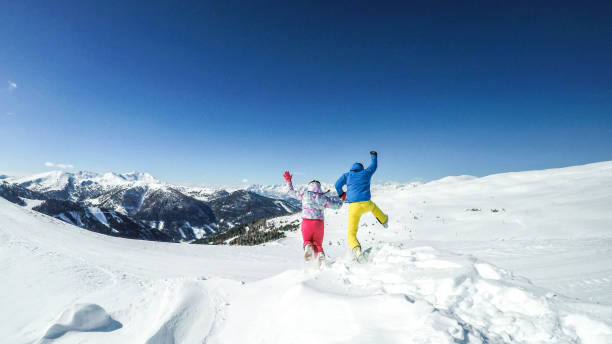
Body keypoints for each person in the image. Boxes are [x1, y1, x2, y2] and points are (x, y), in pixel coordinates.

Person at [334, 151, 388, 259]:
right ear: (361, 168)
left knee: (351, 233)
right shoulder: (366, 173)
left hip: (354, 208)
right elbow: (374, 165)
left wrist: (341, 194)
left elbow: (337, 184)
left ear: (352, 168)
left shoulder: (347, 175)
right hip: (367, 204)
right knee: (374, 207)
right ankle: (384, 220)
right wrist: (373, 155)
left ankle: (357, 250)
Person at [284, 171, 344, 263]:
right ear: (319, 188)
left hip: (306, 222)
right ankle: (320, 255)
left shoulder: (304, 194)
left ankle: (308, 246)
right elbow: (337, 206)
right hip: (319, 224)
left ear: (309, 187)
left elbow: (290, 192)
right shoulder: (323, 198)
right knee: (318, 244)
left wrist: (288, 181)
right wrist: (342, 199)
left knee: (307, 240)